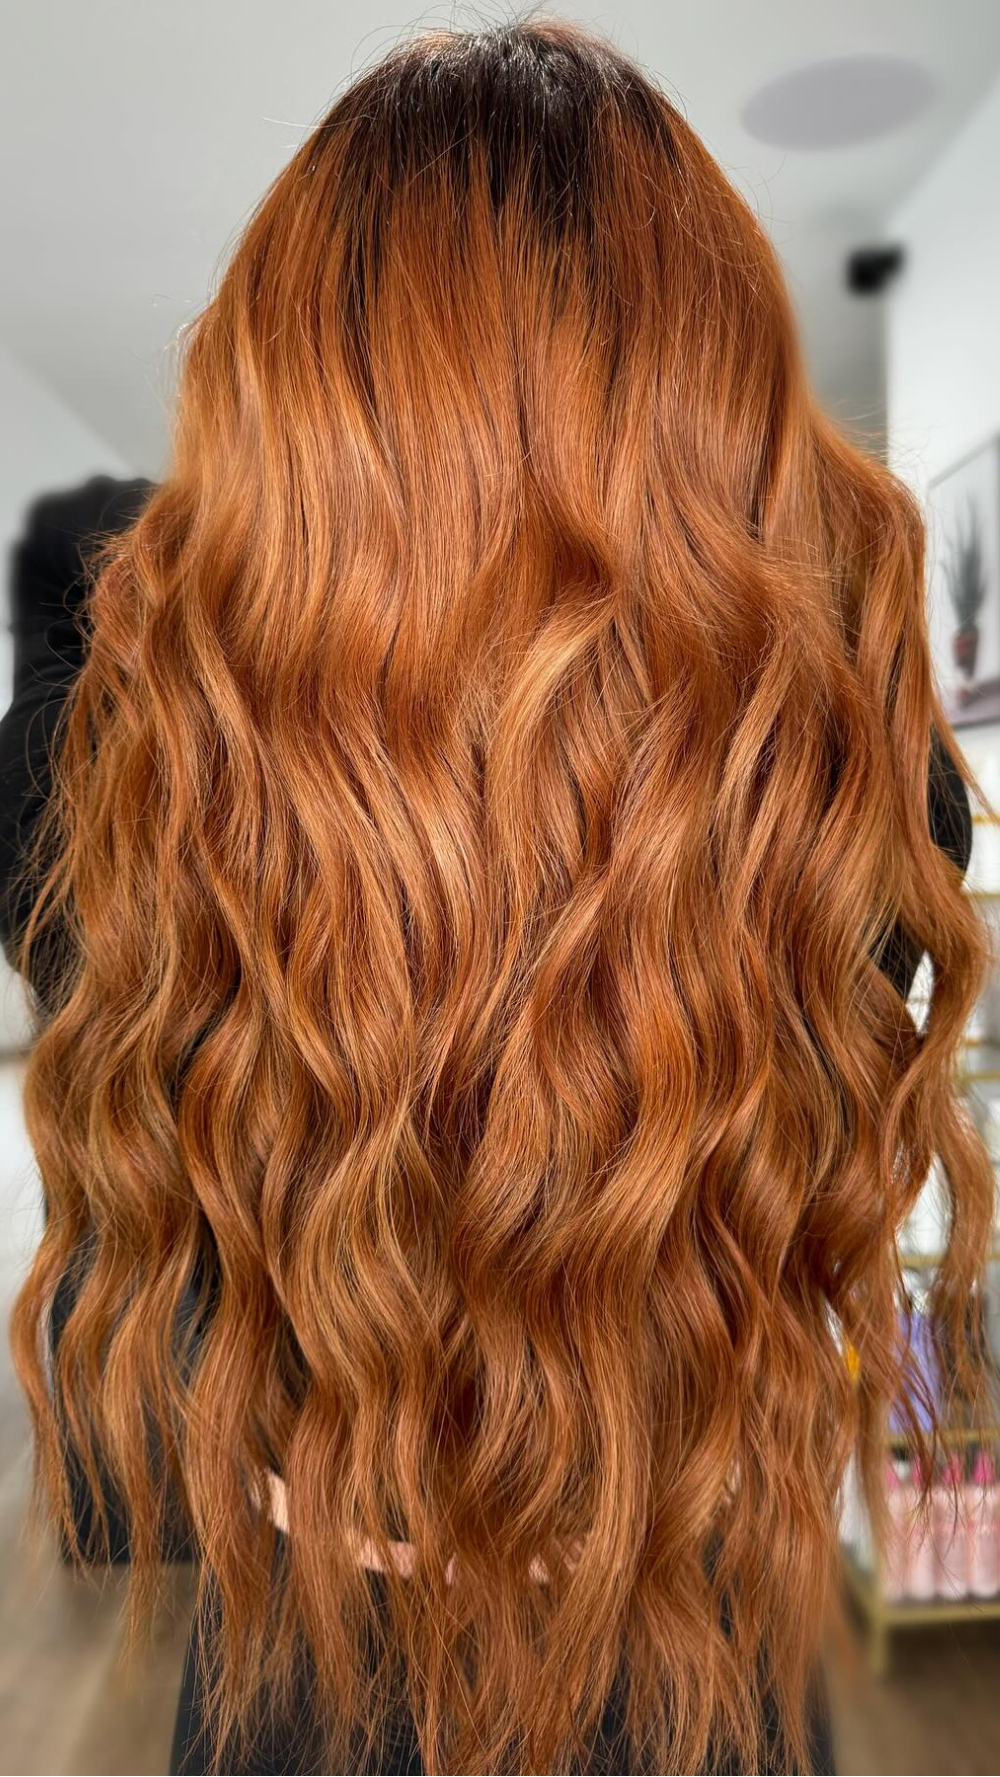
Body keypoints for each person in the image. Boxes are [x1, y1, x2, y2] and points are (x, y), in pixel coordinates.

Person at [0, 19, 993, 1777]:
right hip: (693, 1644)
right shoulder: (856, 777)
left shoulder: (103, 783)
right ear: (722, 393)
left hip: (310, 1664)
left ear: (282, 411)